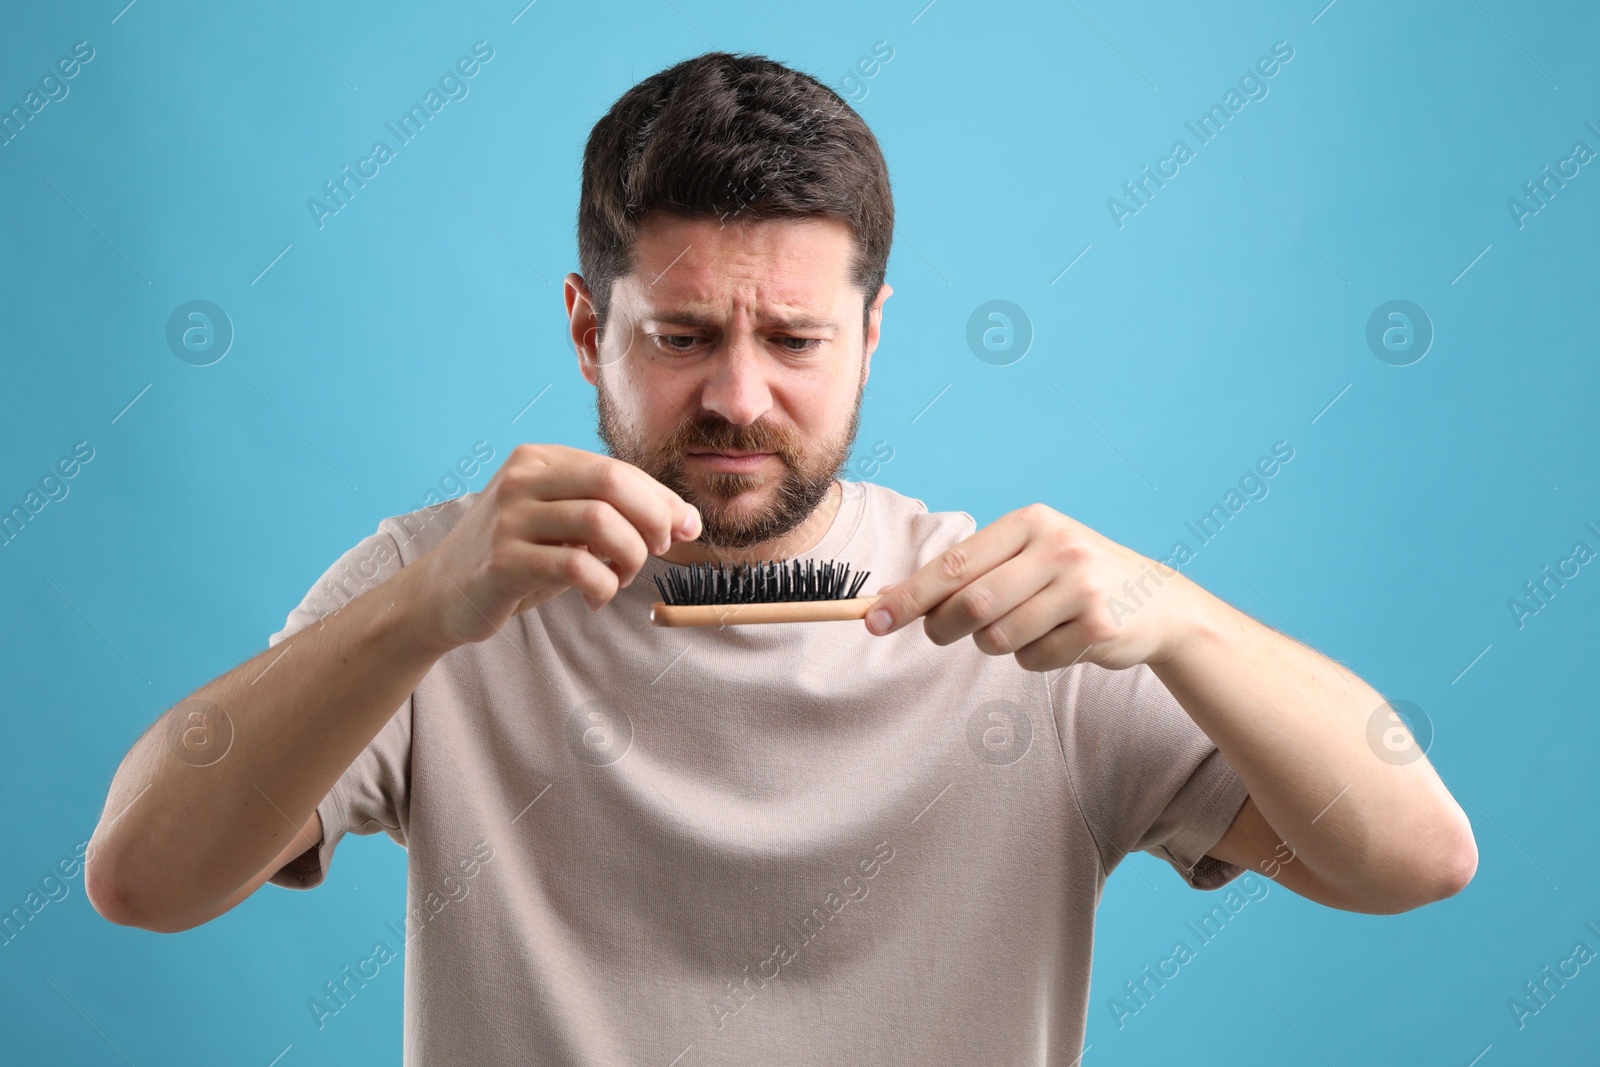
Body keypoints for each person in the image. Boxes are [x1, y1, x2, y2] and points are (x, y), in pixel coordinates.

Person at [85, 51, 1476, 1064]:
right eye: (681, 336)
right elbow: (138, 881)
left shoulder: (1030, 627)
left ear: (873, 337)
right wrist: (418, 616)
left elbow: (1418, 856)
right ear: (587, 330)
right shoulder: (445, 589)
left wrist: (1179, 622)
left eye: (796, 341)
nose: (740, 397)